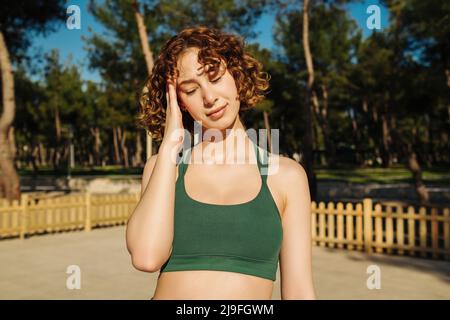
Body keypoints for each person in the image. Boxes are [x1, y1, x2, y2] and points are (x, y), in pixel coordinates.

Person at [126, 26, 316, 300]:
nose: (209, 97)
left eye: (214, 77)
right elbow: (145, 258)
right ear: (178, 102)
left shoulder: (286, 176)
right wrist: (170, 144)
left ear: (236, 74)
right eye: (191, 90)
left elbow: (299, 291)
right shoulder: (163, 166)